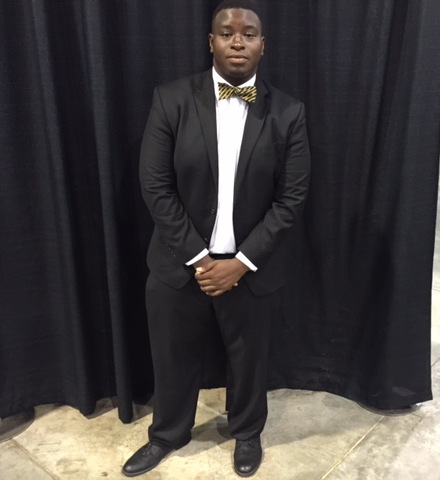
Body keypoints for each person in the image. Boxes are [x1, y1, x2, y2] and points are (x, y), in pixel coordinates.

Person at [122, 1, 311, 477]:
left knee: (250, 361)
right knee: (172, 358)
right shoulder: (171, 99)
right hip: (179, 262)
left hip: (252, 267)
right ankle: (167, 434)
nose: (238, 41)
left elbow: (291, 198)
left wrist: (241, 262)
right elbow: (154, 185)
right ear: (212, 42)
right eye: (227, 33)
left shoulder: (288, 112)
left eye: (249, 34)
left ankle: (246, 432)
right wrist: (199, 257)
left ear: (263, 45)